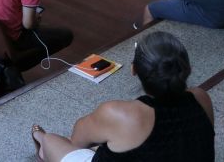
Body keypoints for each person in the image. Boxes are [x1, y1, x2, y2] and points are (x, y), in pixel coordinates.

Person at [31, 31, 214, 162]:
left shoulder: (120, 113)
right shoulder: (201, 97)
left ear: (134, 69)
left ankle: (41, 143)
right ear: (186, 69)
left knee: (51, 140)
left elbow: (78, 140)